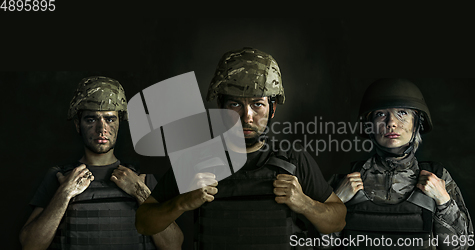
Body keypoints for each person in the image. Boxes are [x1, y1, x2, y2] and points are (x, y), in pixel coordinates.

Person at [135, 47, 347, 249]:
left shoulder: (294, 158)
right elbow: (143, 223)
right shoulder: (195, 159)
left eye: (257, 104)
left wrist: (305, 204)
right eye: (235, 104)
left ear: (272, 109)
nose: (247, 117)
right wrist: (181, 203)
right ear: (221, 107)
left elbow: (338, 221)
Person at [19, 76, 183, 250]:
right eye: (91, 119)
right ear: (77, 124)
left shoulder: (141, 177)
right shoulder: (59, 177)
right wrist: (64, 193)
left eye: (110, 119)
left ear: (119, 123)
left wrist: (140, 192)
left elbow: (174, 245)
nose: (102, 128)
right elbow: (30, 245)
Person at [333, 79, 473, 249]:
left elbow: (461, 246)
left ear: (417, 123)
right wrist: (335, 203)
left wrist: (443, 201)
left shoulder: (437, 177)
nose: (391, 122)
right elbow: (316, 244)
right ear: (369, 126)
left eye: (402, 113)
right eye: (380, 114)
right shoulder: (345, 178)